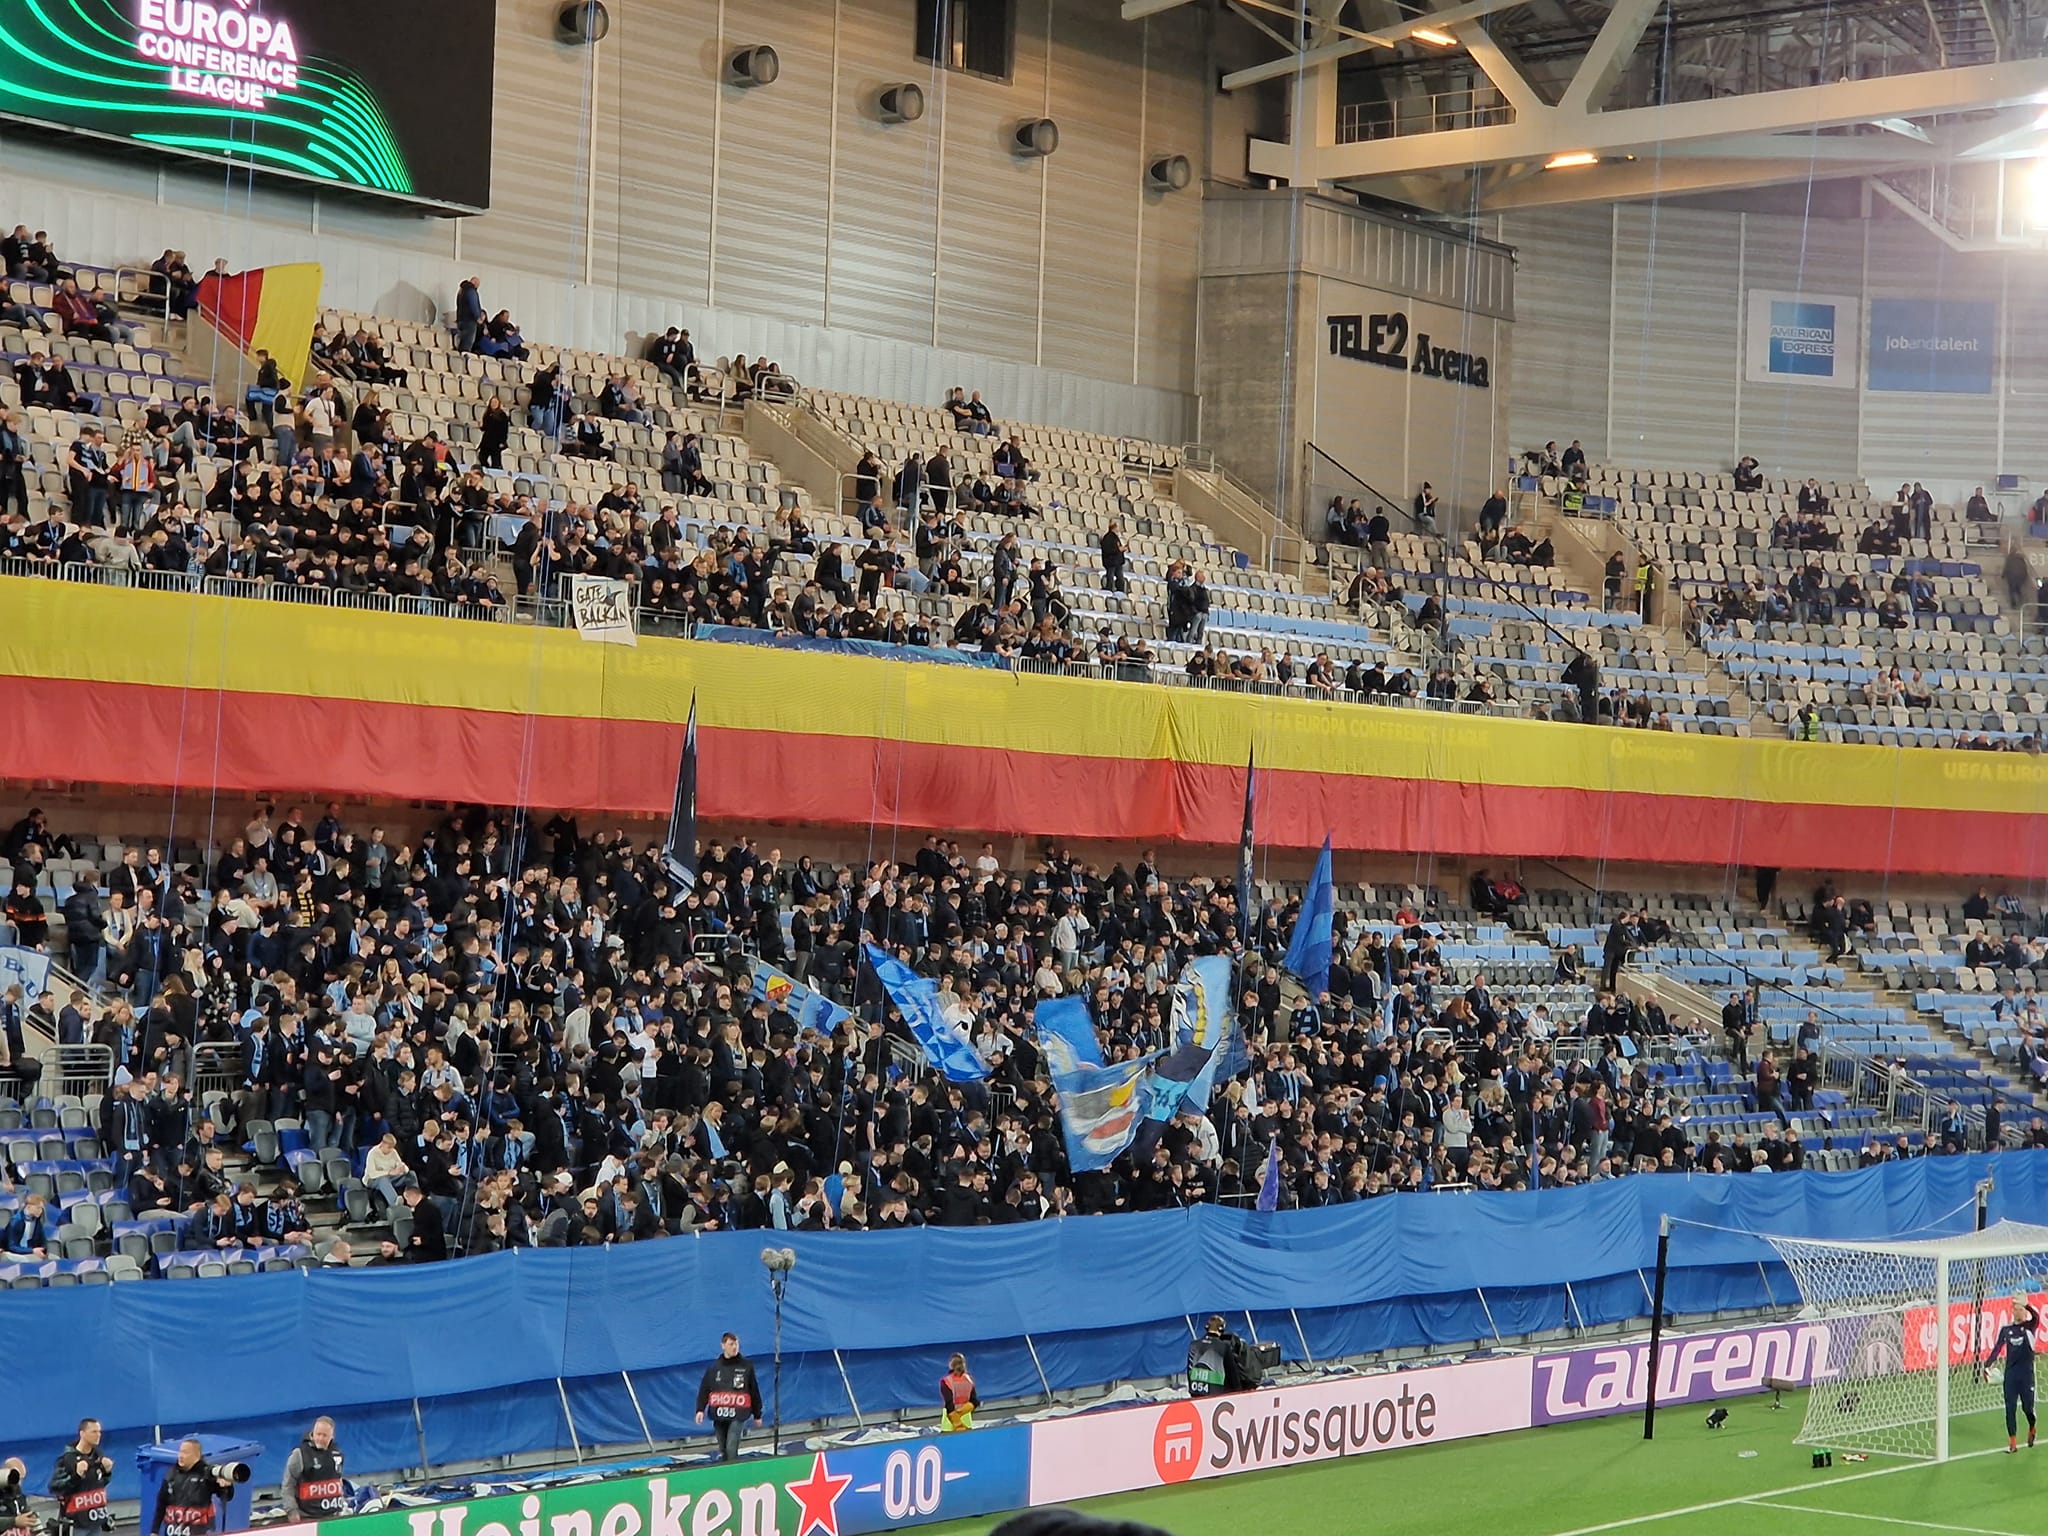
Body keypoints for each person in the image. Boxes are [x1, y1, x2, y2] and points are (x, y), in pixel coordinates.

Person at [1981, 1294, 2039, 1452]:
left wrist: (2027, 1305)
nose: (2020, 1312)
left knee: (2028, 1408)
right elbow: (1997, 1348)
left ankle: (2032, 1427)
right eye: (2017, 1309)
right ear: (2012, 1311)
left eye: (2022, 1310)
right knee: (2010, 1408)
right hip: (2011, 1376)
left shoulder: (2029, 1327)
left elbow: (2036, 1316)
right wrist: (1987, 1365)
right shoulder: (2006, 1330)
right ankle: (2012, 1444)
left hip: (2026, 1376)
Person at [695, 1332, 762, 1461]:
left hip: (739, 1413)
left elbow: (754, 1390)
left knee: (731, 1446)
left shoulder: (746, 1366)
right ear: (723, 1346)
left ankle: (733, 1473)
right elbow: (704, 1389)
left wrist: (757, 1414)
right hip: (719, 1413)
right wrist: (700, 1409)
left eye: (736, 1344)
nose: (734, 1347)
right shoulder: (714, 1367)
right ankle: (725, 1470)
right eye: (731, 1344)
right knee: (723, 1448)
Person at [148, 1440, 235, 1536]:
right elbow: (161, 1504)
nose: (181, 1456)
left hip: (200, 1531)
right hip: (172, 1532)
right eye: (180, 1452)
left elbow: (227, 1497)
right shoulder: (171, 1474)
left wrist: (227, 1486)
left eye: (185, 1452)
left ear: (196, 1456)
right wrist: (154, 1531)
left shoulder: (207, 1474)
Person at [48, 1419, 114, 1536]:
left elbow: (99, 1483)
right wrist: (77, 1476)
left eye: (99, 1432)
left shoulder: (98, 1456)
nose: (98, 1435)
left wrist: (107, 1473)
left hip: (95, 1519)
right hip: (76, 1522)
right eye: (94, 1432)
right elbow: (55, 1487)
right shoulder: (68, 1459)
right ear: (82, 1433)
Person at [279, 1418, 347, 1520]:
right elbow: (287, 1485)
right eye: (318, 1434)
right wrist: (292, 1511)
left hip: (333, 1516)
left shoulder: (338, 1453)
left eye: (324, 1435)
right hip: (307, 1517)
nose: (320, 1438)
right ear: (312, 1433)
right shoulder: (300, 1454)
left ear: (332, 1436)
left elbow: (338, 1481)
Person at [939, 1353, 979, 1432]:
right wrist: (962, 1411)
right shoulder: (969, 1380)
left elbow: (949, 1404)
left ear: (951, 1365)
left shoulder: (946, 1381)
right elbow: (974, 1401)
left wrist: (957, 1422)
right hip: (966, 1419)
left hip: (949, 1421)